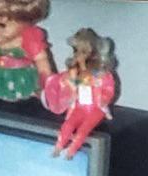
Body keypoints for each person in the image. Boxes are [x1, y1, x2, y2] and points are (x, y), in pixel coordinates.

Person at [42, 28, 117, 159]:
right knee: (67, 125)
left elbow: (109, 90)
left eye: (83, 52)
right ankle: (58, 147)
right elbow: (65, 84)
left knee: (83, 130)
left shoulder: (102, 74)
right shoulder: (75, 71)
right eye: (76, 51)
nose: (78, 55)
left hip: (95, 108)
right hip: (79, 107)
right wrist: (67, 83)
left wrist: (103, 98)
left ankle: (71, 152)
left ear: (93, 53)